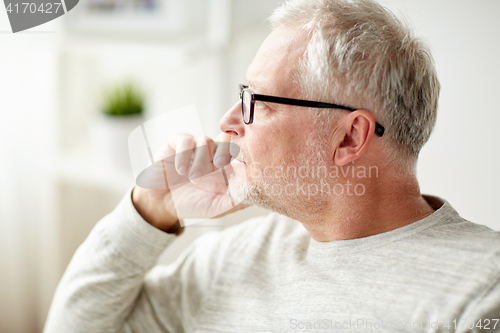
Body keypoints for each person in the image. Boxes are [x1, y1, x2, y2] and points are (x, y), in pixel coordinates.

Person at [44, 0, 500, 332]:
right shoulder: (236, 255)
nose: (227, 121)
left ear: (349, 137)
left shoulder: (481, 291)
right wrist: (148, 212)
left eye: (254, 101)